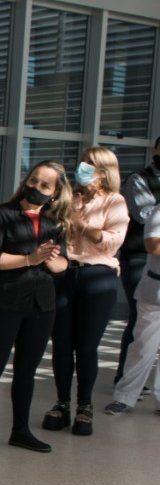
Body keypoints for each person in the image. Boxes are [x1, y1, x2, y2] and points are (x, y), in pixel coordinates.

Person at [0, 162, 72, 455]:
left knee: (26, 370)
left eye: (45, 185)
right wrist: (30, 258)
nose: (36, 188)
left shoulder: (55, 222)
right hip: (4, 301)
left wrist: (49, 258)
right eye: (33, 180)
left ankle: (20, 430)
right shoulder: (4, 213)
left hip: (42, 305)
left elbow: (62, 265)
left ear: (54, 193)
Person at [41, 147, 129, 436]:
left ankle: (85, 406)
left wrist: (85, 227)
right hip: (67, 273)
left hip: (98, 276)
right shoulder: (71, 199)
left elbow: (113, 242)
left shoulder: (114, 201)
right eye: (83, 162)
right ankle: (62, 403)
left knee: (87, 345)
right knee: (62, 343)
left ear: (104, 172)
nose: (83, 168)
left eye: (90, 164)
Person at [105, 140, 160, 416]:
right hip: (148, 273)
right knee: (143, 340)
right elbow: (153, 240)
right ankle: (126, 394)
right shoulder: (142, 180)